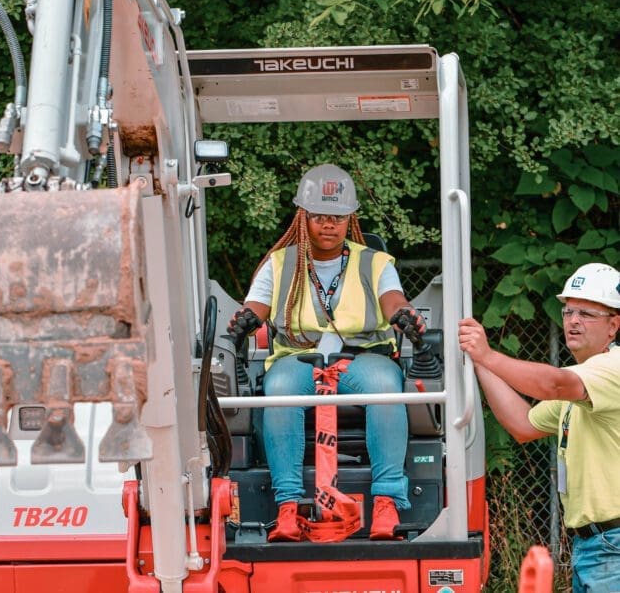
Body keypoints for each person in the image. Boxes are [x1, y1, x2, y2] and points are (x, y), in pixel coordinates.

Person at [227, 163, 426, 542]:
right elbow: (256, 307)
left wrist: (402, 315)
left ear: (350, 217)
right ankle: (287, 506)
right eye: (319, 215)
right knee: (280, 389)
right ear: (303, 216)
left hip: (363, 357)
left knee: (388, 386)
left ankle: (385, 503)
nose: (328, 224)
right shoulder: (280, 263)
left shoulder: (374, 262)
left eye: (337, 216)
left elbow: (393, 300)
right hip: (298, 360)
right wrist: (244, 320)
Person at [458, 262, 620, 593]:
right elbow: (522, 424)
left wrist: (489, 356)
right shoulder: (583, 381)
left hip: (612, 546)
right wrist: (478, 361)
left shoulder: (611, 369)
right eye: (568, 311)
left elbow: (553, 385)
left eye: (587, 314)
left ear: (613, 325)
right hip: (593, 546)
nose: (573, 320)